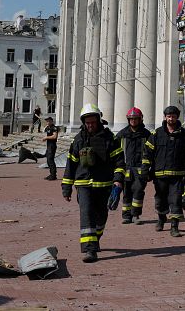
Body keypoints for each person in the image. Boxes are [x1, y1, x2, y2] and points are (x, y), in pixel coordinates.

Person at [62, 104, 120, 263]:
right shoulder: (78, 139)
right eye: (87, 123)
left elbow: (119, 161)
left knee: (101, 216)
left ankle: (96, 237)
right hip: (83, 184)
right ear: (83, 122)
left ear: (98, 121)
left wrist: (118, 182)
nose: (90, 125)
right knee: (86, 213)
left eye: (93, 122)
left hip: (104, 184)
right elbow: (71, 164)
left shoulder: (110, 139)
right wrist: (66, 188)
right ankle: (89, 250)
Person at [143, 105, 185, 237]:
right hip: (160, 175)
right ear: (165, 117)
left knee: (176, 199)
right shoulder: (156, 134)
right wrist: (145, 170)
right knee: (160, 200)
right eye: (169, 116)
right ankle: (161, 218)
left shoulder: (184, 135)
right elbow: (147, 153)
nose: (171, 118)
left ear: (177, 117)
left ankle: (174, 226)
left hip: (178, 175)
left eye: (174, 116)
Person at [112, 107, 151, 224]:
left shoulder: (146, 134)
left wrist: (149, 168)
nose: (133, 121)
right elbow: (115, 152)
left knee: (138, 191)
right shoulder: (121, 134)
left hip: (141, 169)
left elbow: (150, 152)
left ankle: (136, 215)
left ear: (140, 119)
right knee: (127, 193)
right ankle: (126, 216)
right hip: (126, 168)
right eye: (131, 119)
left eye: (135, 119)